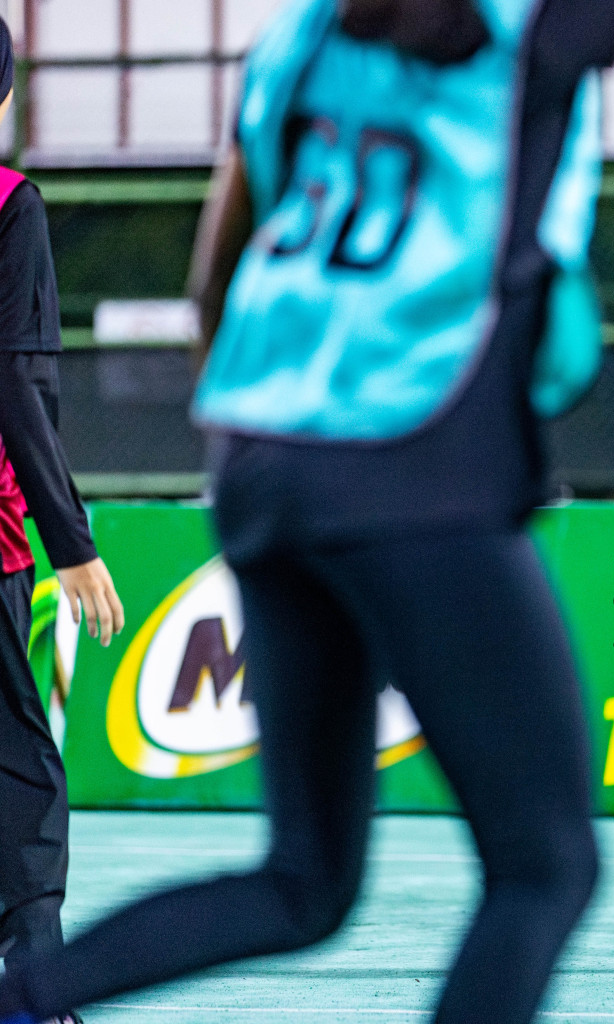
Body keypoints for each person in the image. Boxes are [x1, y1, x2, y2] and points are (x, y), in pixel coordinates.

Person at [0, 1, 614, 1022]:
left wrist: (266, 447)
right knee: (546, 863)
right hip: (416, 458)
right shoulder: (521, 32)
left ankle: (26, 996)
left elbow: (213, 278)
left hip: (260, 458)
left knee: (306, 879)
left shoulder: (297, 40)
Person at [0, 19, 125, 1021]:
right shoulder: (10, 206)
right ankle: (37, 984)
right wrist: (70, 541)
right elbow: (20, 381)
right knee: (21, 761)